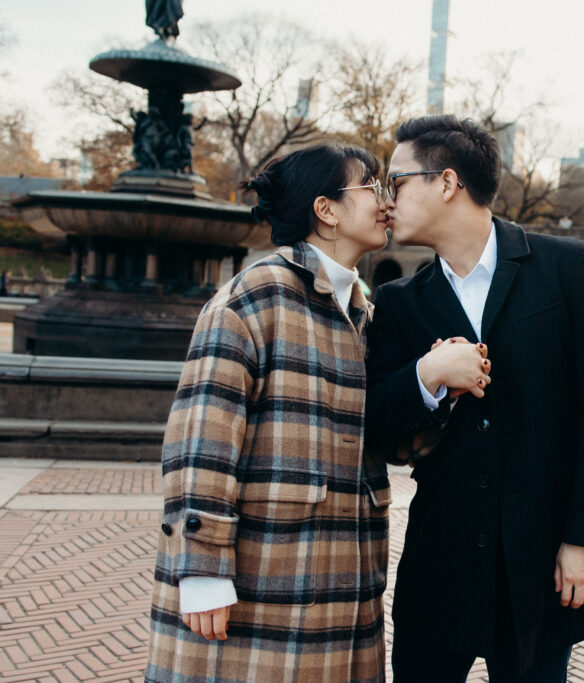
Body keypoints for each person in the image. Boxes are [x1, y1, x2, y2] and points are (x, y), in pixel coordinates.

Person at [146, 144, 461, 682]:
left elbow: (385, 439)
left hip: (343, 588)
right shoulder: (254, 298)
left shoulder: (364, 313)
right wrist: (201, 571)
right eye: (372, 186)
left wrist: (432, 385)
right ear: (327, 210)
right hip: (262, 583)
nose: (387, 201)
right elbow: (202, 439)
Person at [365, 115, 584, 682]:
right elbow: (378, 422)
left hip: (540, 563)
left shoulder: (567, 268)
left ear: (446, 183)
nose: (387, 201)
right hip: (439, 565)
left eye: (397, 182)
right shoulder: (397, 304)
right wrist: (426, 375)